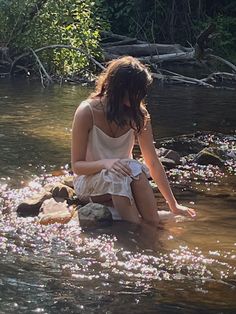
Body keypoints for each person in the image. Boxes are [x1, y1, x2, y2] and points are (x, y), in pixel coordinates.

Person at [71, 56, 196, 227]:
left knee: (133, 169)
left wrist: (173, 205)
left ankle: (149, 229)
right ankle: (139, 231)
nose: (139, 96)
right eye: (135, 91)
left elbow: (152, 161)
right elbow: (77, 166)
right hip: (89, 183)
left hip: (124, 179)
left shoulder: (138, 114)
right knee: (120, 173)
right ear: (119, 87)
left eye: (141, 91)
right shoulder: (87, 111)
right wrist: (106, 163)